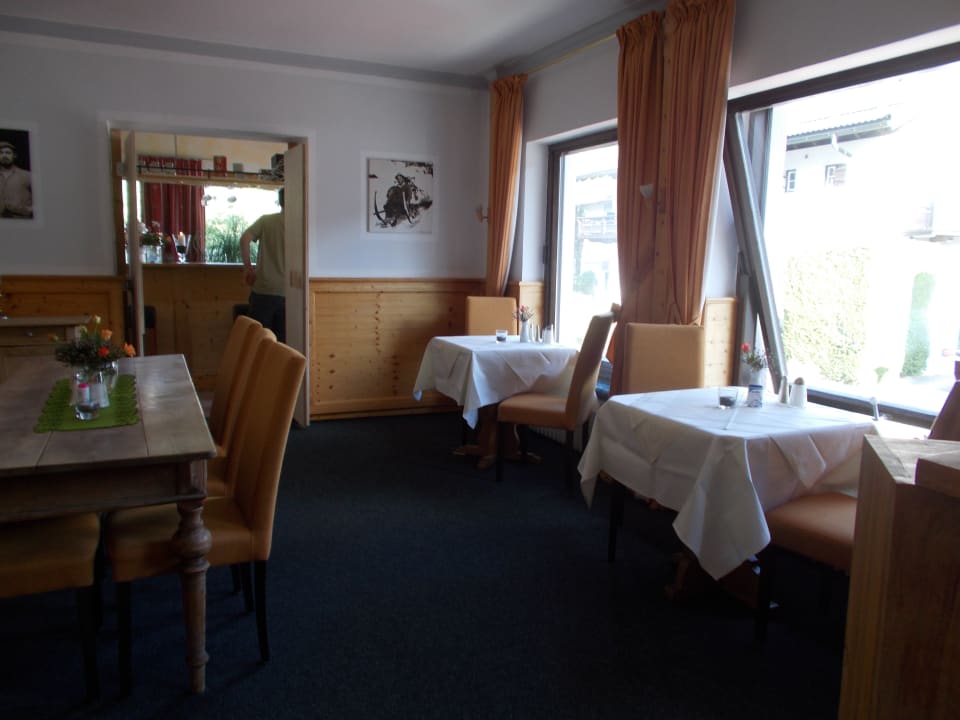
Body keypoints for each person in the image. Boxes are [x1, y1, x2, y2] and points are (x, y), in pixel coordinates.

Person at [240, 189, 285, 341]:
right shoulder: (301, 224)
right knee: (283, 347)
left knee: (257, 342)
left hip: (263, 290)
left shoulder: (266, 221)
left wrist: (248, 268)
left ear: (280, 202)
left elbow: (244, 239)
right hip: (290, 293)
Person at [0, 140, 32, 219]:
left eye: (8, 153)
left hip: (21, 221)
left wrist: (29, 210)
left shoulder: (27, 175)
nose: (4, 155)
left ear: (14, 156)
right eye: (1, 153)